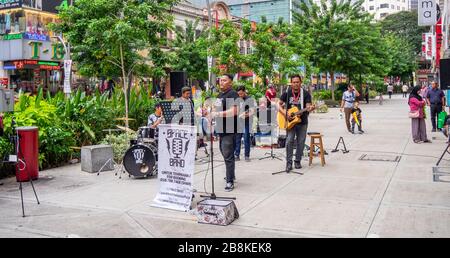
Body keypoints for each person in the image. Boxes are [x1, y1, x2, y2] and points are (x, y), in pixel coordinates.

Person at [210, 74, 239, 192]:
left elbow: (234, 111)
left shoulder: (233, 94)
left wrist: (218, 114)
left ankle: (229, 181)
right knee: (224, 153)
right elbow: (215, 109)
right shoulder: (219, 95)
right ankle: (231, 174)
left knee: (228, 155)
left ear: (230, 82)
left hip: (229, 130)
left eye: (224, 80)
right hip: (221, 130)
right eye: (220, 80)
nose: (221, 82)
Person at [278, 75, 313, 172]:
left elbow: (308, 106)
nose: (296, 84)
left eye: (297, 82)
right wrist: (285, 113)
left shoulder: (305, 94)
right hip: (290, 121)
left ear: (300, 82)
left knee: (301, 142)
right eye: (294, 82)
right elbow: (278, 104)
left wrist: (310, 108)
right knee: (289, 141)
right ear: (291, 83)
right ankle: (288, 163)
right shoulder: (287, 92)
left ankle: (297, 160)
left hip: (302, 121)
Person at [235, 86, 256, 162]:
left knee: (246, 137)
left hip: (247, 121)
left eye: (241, 94)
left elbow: (252, 111)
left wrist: (245, 115)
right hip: (238, 122)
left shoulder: (249, 99)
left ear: (244, 92)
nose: (240, 95)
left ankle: (247, 155)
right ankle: (236, 154)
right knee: (237, 139)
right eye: (238, 94)